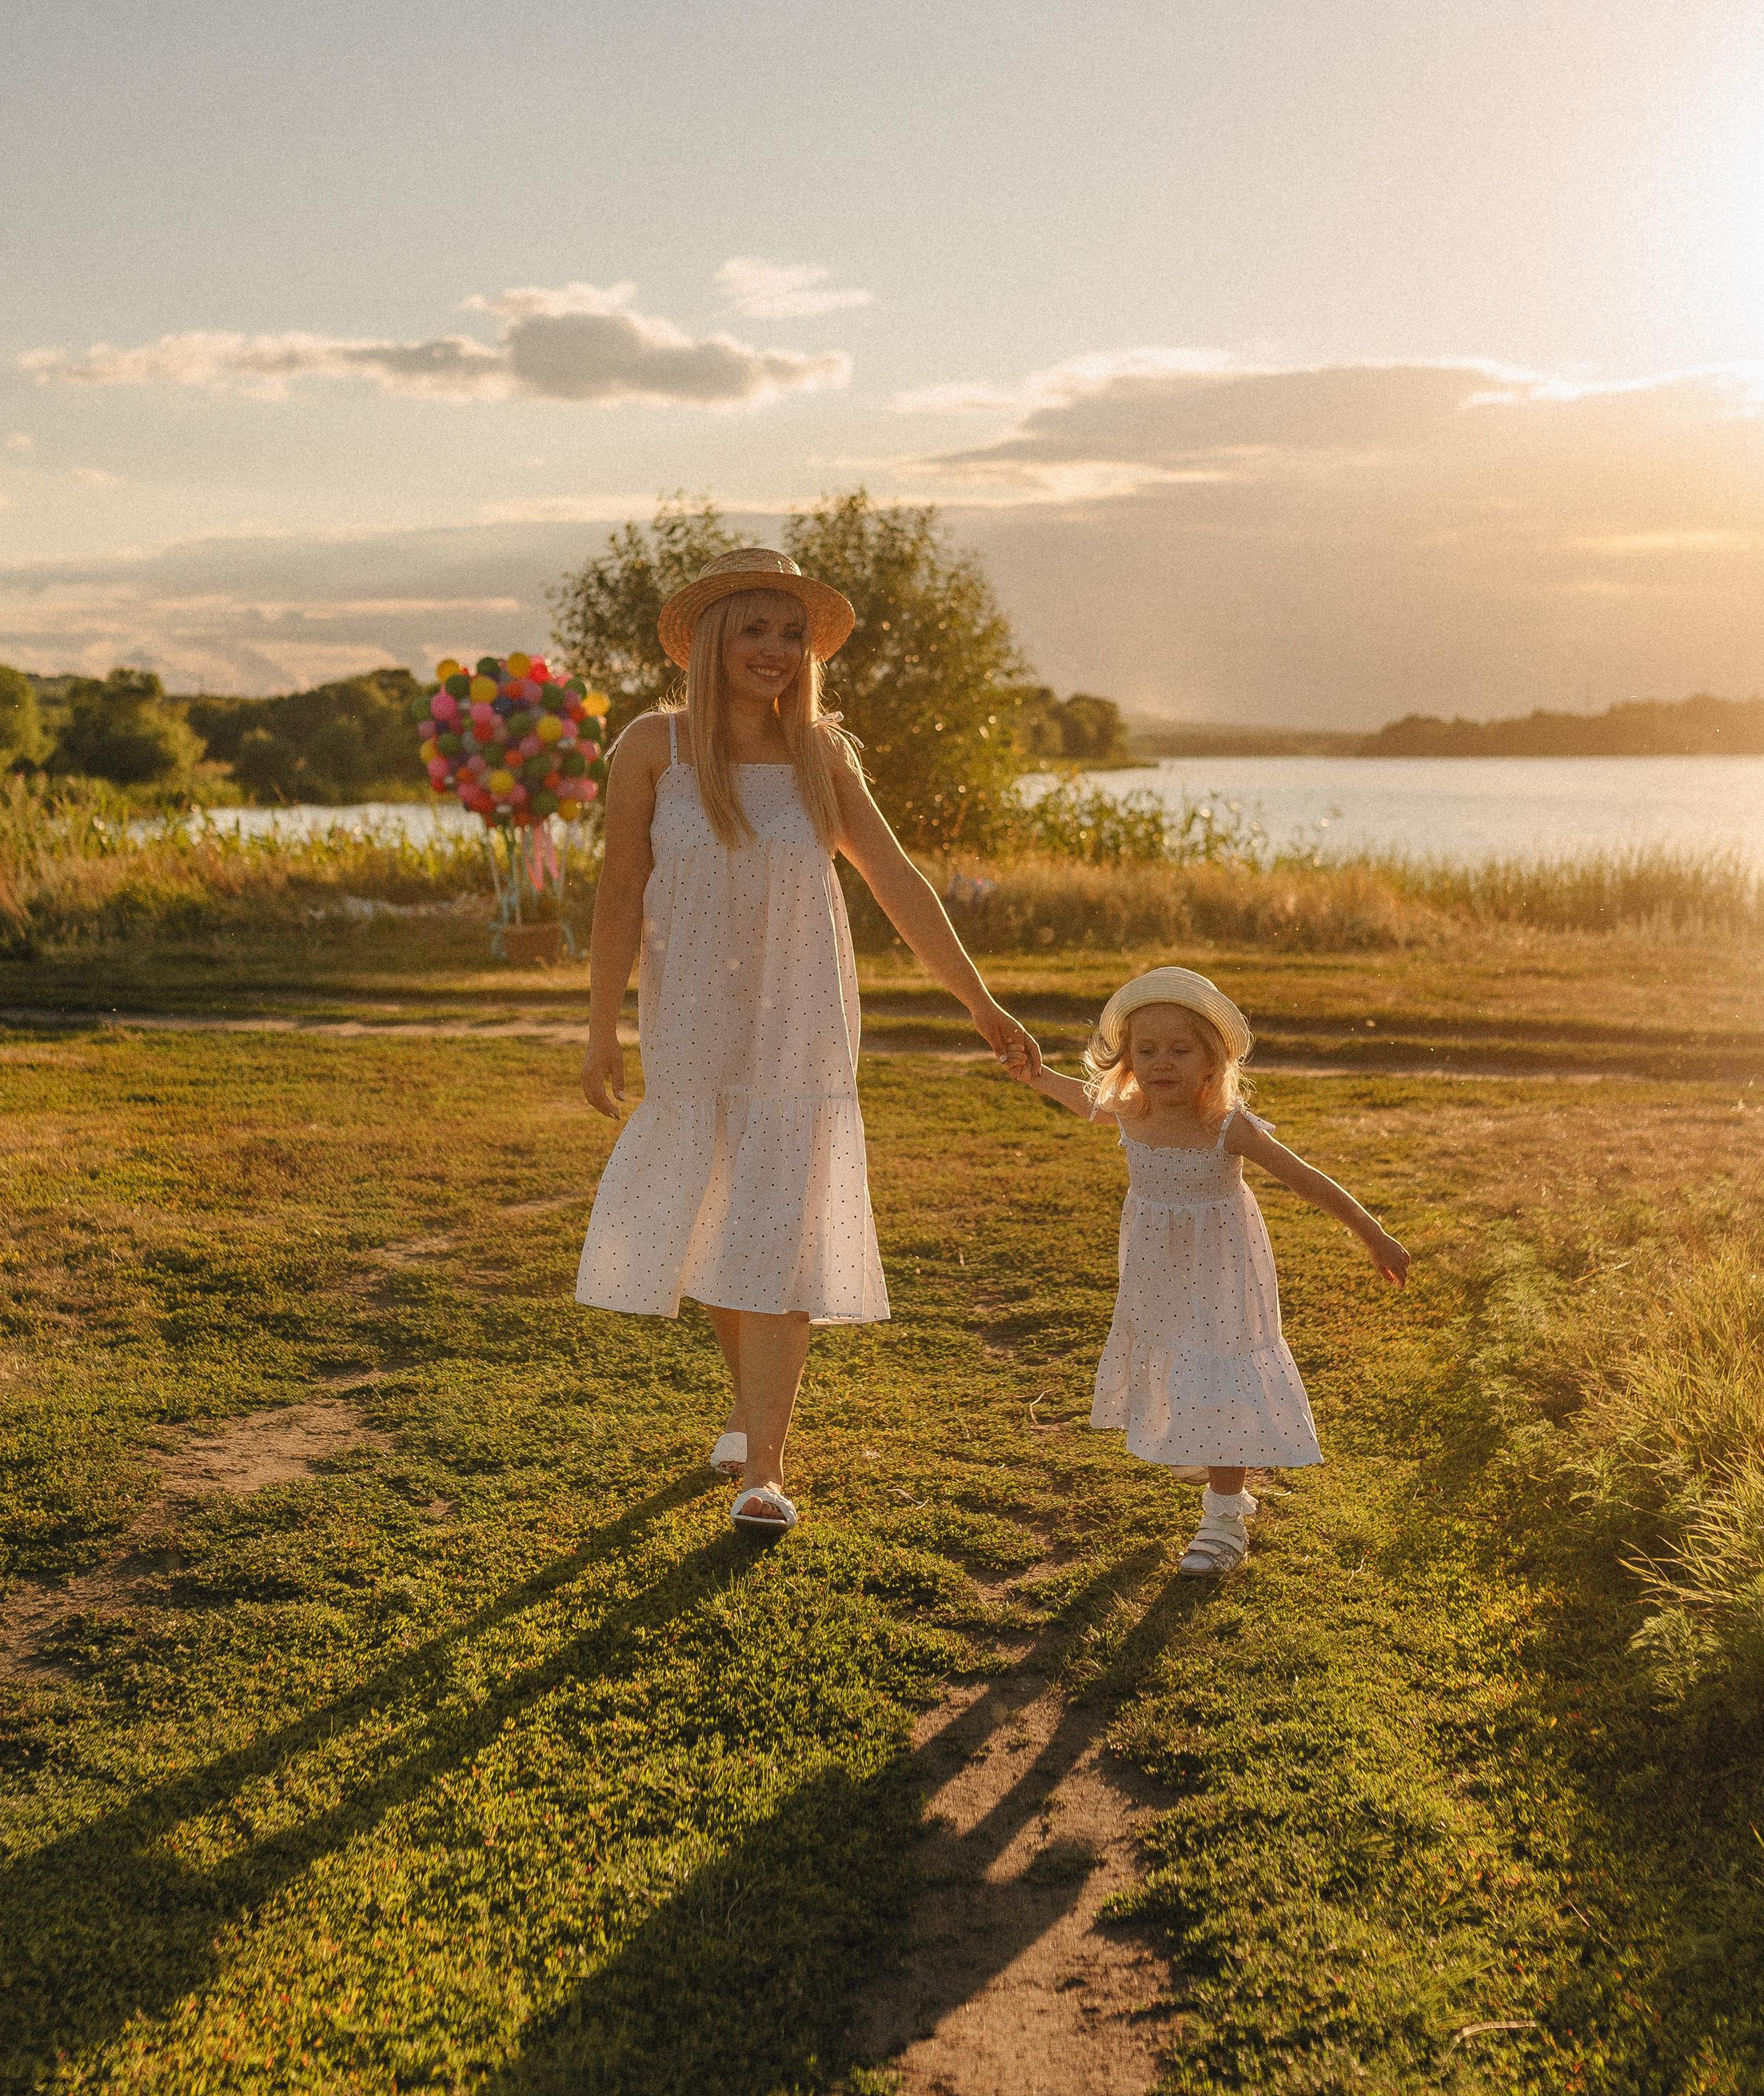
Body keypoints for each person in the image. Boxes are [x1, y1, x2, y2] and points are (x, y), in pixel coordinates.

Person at [576, 546, 1040, 1534]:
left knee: (777, 1227)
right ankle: (747, 1412)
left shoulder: (823, 754)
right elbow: (618, 890)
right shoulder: (652, 748)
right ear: (708, 642)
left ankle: (764, 1472)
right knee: (715, 1214)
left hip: (798, 1023)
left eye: (792, 634)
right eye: (754, 629)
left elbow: (899, 883)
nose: (776, 650)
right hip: (692, 1020)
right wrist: (599, 1028)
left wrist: (982, 1004)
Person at [1010, 965, 1408, 1574]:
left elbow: (1303, 1178)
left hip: (1221, 1271)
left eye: (1179, 1049)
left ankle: (1223, 1517)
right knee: (1181, 1363)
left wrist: (1372, 1233)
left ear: (1211, 1061)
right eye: (1146, 1050)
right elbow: (1083, 1100)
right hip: (1156, 1272)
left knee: (1220, 1372)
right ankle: (1214, 1466)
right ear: (1127, 1059)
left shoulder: (1225, 1126)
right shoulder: (1131, 1110)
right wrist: (1036, 1076)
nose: (1161, 1062)